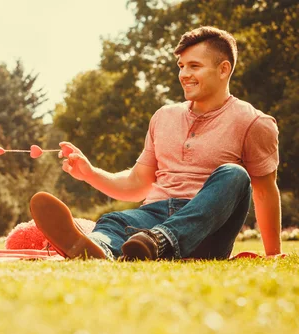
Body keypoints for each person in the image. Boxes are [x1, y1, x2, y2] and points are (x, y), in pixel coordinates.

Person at [30, 26, 281, 261]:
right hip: (153, 216)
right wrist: (90, 173)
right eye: (181, 66)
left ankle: (159, 240)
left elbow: (264, 190)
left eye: (194, 66)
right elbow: (138, 184)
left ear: (224, 69)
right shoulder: (164, 117)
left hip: (207, 230)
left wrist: (273, 254)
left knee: (235, 176)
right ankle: (97, 249)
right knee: (113, 221)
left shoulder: (254, 122)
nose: (184, 74)